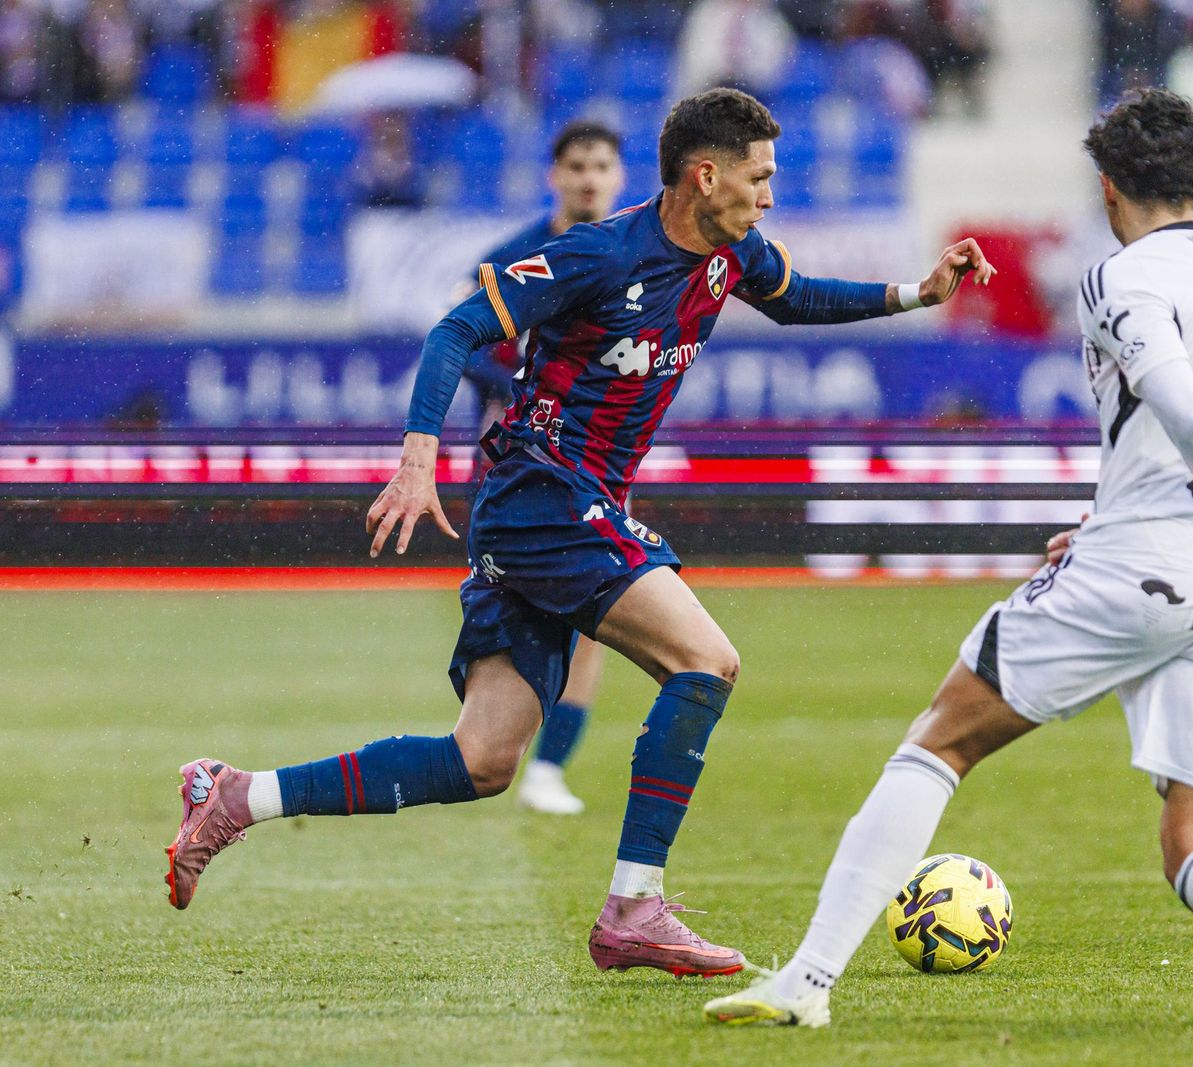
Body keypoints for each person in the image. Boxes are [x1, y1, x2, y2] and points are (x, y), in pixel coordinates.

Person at [165, 87, 996, 981]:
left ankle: (239, 796)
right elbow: (456, 329)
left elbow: (799, 299)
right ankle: (635, 906)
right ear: (704, 175)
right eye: (759, 177)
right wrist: (415, 460)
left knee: (481, 758)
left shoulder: (732, 253)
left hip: (558, 505)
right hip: (541, 494)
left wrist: (919, 291)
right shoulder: (599, 255)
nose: (769, 194)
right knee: (705, 660)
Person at [705, 87, 1193, 1029]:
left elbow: (1181, 410)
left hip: (1168, 559)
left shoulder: (1119, 276)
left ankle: (807, 982)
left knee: (941, 740)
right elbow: (1184, 435)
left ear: (1109, 189)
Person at [458, 120, 627, 817]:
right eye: (578, 165)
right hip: (520, 465)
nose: (590, 177)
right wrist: (523, 381)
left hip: (591, 462)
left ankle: (546, 766)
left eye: (602, 166)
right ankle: (491, 749)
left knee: (600, 615)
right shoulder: (512, 259)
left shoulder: (628, 254)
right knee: (523, 614)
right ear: (555, 175)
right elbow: (463, 343)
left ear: (617, 177)